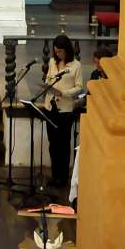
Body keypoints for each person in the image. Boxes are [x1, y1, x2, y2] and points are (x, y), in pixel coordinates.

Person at [41, 34, 82, 188]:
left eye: (60, 51)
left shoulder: (76, 66)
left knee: (63, 144)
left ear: (67, 50)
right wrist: (48, 86)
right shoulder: (52, 62)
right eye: (56, 51)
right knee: (53, 143)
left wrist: (64, 93)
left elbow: (79, 87)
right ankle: (55, 175)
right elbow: (48, 79)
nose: (57, 54)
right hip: (50, 107)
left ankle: (63, 177)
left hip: (65, 110)